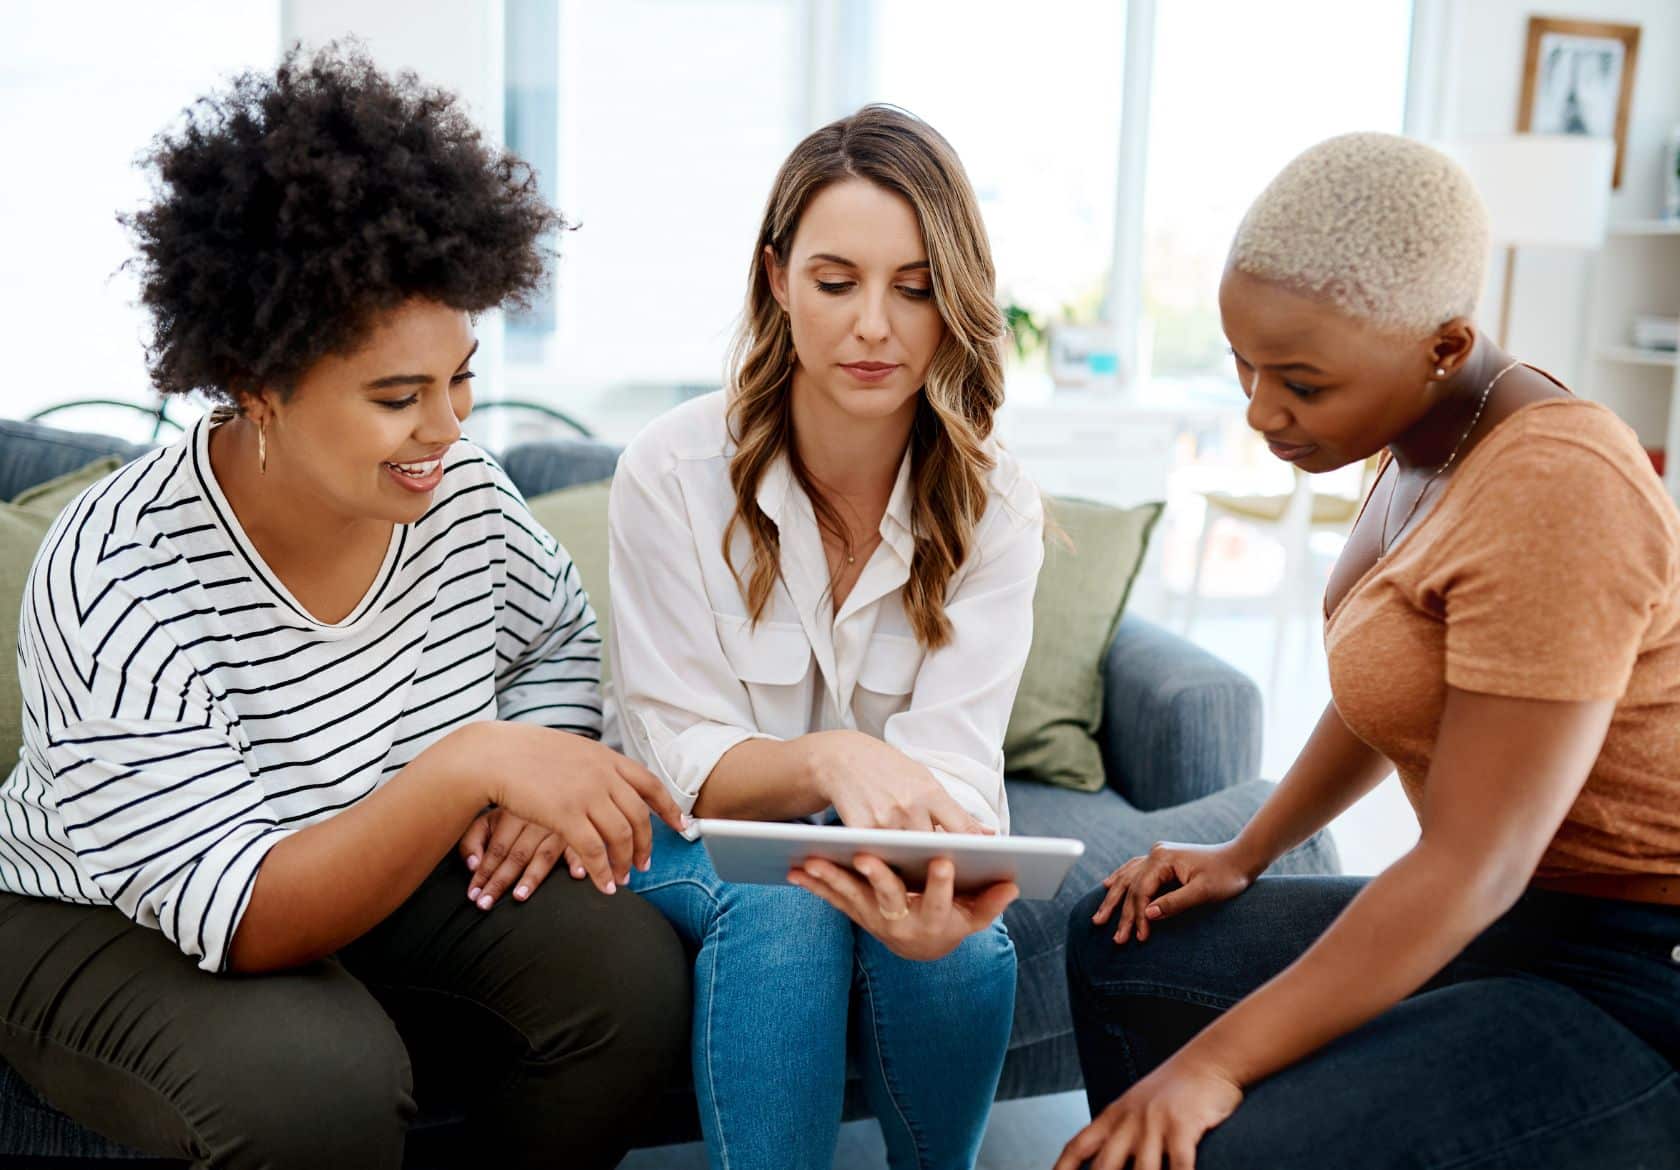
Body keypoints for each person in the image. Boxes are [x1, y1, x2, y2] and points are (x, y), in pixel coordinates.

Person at [0, 47, 690, 1170]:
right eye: (396, 396)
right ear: (258, 383)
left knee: (627, 977)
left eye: (460, 377)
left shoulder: (460, 493)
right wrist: (472, 765)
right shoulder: (118, 570)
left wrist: (535, 765)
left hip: (380, 855)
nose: (447, 427)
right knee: (312, 1085)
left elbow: (555, 634)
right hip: (112, 915)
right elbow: (242, 912)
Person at [1059, 131, 1680, 1170]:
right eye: (1245, 366)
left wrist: (1212, 1066)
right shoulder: (1414, 444)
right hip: (1512, 920)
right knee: (1121, 944)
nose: (1261, 411)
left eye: (1300, 381)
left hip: (1629, 970)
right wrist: (1243, 854)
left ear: (1443, 346)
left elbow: (1475, 865)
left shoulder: (1558, 486)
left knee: (1236, 1135)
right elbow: (1388, 687)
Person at [604, 105, 1042, 1170]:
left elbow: (955, 764)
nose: (874, 329)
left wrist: (941, 884)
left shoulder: (996, 502)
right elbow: (677, 754)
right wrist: (832, 760)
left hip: (883, 828)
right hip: (684, 832)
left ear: (955, 299)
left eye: (916, 286)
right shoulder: (669, 472)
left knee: (957, 945)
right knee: (787, 906)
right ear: (776, 280)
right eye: (836, 282)